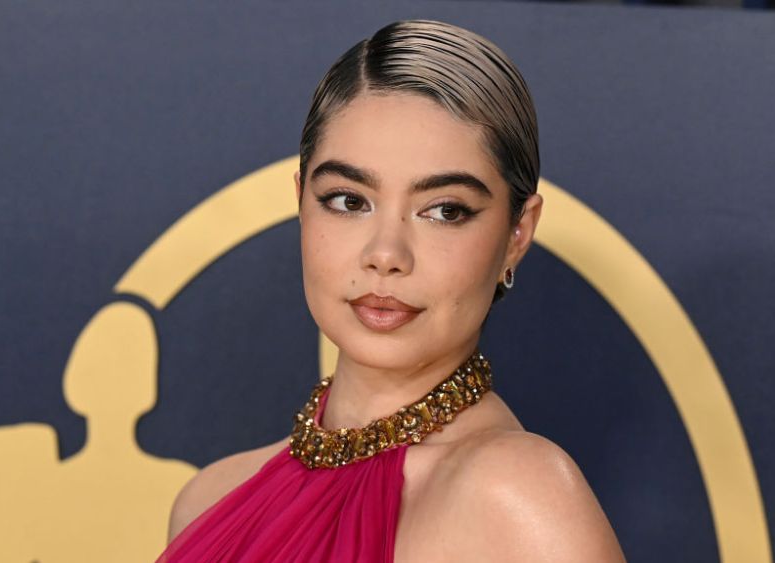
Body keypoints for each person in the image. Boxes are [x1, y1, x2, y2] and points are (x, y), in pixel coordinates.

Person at [158, 19, 625, 562]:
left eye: (445, 210)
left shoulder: (520, 501)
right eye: (348, 200)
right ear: (301, 202)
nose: (386, 255)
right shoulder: (206, 501)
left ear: (517, 234)